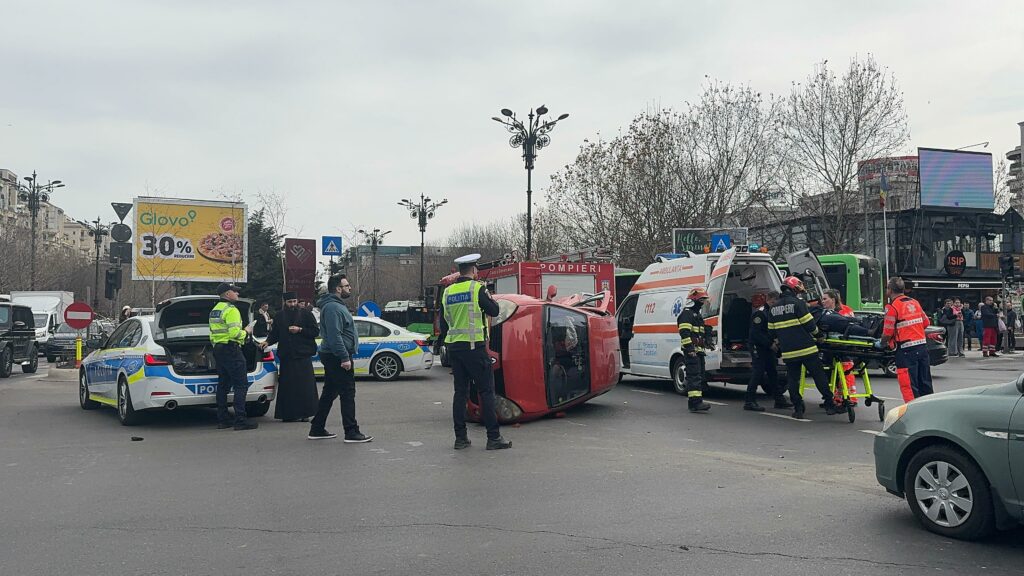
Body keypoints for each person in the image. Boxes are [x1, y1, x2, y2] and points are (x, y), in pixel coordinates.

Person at [435, 254, 511, 450]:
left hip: (455, 349)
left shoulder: (448, 292)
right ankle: (493, 437)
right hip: (474, 348)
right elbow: (494, 310)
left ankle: (461, 439)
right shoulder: (477, 288)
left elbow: (443, 324)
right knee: (486, 391)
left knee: (460, 393)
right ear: (474, 270)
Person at [308, 275, 372, 442]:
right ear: (338, 288)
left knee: (330, 392)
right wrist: (344, 357)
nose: (349, 288)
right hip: (336, 356)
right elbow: (335, 335)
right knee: (347, 392)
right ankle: (351, 431)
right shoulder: (333, 308)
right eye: (346, 285)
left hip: (333, 354)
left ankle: (317, 428)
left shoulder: (334, 306)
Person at [767, 276, 840, 419]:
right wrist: (819, 336)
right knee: (819, 377)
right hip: (807, 349)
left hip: (788, 352)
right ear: (794, 288)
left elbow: (771, 332)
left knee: (793, 380)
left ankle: (798, 408)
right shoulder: (798, 304)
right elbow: (810, 325)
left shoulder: (773, 308)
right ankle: (829, 405)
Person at [262, 291, 319, 422]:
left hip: (303, 355)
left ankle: (306, 413)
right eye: (289, 302)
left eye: (294, 301)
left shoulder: (306, 314)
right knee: (288, 387)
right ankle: (288, 414)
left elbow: (315, 331)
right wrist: (267, 342)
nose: (292, 304)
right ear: (285, 303)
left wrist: (300, 330)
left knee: (305, 387)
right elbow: (275, 333)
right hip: (287, 356)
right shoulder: (279, 316)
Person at [209, 282, 257, 430]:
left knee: (223, 385)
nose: (238, 294)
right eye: (235, 291)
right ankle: (240, 420)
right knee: (241, 385)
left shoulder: (215, 310)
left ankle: (223, 419)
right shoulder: (231, 310)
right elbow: (235, 333)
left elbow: (213, 333)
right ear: (227, 294)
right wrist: (247, 331)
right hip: (231, 349)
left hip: (218, 349)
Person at [881, 277, 933, 401]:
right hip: (922, 347)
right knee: (925, 382)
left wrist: (882, 343)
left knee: (909, 385)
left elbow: (887, 332)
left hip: (906, 350)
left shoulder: (892, 307)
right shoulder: (914, 302)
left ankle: (912, 413)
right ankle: (929, 409)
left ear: (890, 290)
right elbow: (926, 323)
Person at [743, 292, 791, 412]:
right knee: (757, 373)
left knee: (772, 372)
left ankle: (779, 399)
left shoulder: (772, 312)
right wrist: (770, 344)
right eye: (774, 302)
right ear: (769, 300)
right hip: (758, 346)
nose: (776, 305)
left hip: (767, 346)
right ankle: (749, 401)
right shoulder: (760, 313)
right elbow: (756, 333)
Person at [819, 289, 859, 406]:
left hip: (843, 347)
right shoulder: (829, 312)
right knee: (832, 374)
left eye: (825, 299)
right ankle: (836, 398)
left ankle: (849, 398)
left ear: (833, 299)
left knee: (844, 371)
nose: (822, 301)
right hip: (832, 347)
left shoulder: (842, 311)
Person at [677, 287, 713, 413]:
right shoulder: (687, 314)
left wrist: (708, 340)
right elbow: (684, 333)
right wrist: (690, 348)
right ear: (694, 300)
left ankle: (696, 401)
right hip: (692, 351)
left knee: (699, 376)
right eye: (702, 300)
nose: (703, 302)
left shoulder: (696, 314)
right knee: (694, 376)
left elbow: (699, 332)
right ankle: (695, 403)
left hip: (698, 351)